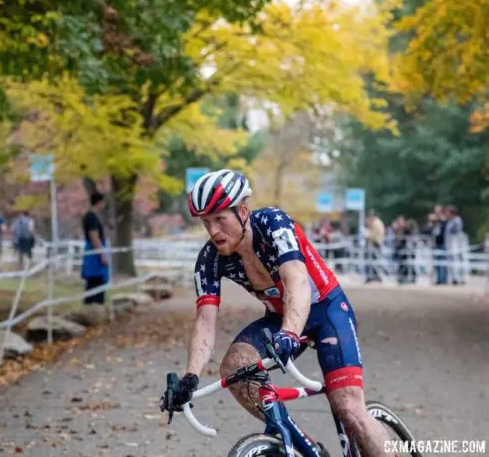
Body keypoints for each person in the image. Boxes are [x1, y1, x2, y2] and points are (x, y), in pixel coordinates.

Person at [161, 169, 393, 457]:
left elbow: (296, 279)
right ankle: (303, 445)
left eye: (220, 218)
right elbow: (205, 321)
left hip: (327, 310)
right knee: (235, 367)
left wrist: (290, 333)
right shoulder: (209, 259)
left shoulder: (273, 223)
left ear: (243, 211)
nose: (213, 231)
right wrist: (190, 378)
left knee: (349, 408)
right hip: (280, 317)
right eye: (206, 222)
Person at [81, 192, 109, 305]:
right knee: (95, 280)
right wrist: (102, 255)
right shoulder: (91, 217)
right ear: (99, 202)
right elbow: (94, 236)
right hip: (94, 253)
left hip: (95, 250)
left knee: (97, 280)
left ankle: (95, 304)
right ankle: (94, 305)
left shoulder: (93, 216)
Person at [364, 210, 385, 283]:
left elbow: (374, 234)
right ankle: (374, 276)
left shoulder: (376, 223)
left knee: (374, 261)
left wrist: (368, 236)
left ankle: (375, 276)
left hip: (375, 244)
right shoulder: (377, 222)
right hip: (375, 243)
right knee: (374, 261)